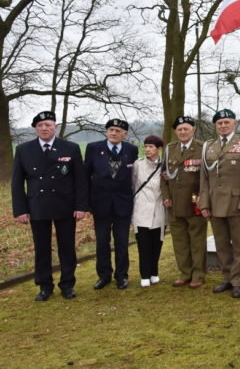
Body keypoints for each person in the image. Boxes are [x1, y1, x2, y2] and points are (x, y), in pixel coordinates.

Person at [12, 111, 88, 301]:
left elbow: (80, 180)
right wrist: (20, 210)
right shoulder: (23, 150)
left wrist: (81, 206)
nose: (44, 128)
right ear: (35, 129)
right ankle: (45, 286)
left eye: (48, 125)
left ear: (55, 127)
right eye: (40, 125)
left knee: (67, 247)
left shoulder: (70, 148)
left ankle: (67, 285)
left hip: (65, 205)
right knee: (42, 248)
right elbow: (17, 183)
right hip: (37, 205)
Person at [198, 109, 240, 299]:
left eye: (227, 122)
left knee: (239, 245)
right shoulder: (209, 146)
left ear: (234, 124)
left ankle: (238, 281)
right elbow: (204, 179)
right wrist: (204, 204)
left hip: (236, 203)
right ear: (215, 126)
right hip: (215, 203)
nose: (223, 126)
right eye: (219, 123)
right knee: (221, 244)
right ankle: (227, 278)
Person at [85, 118, 138, 290]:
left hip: (123, 204)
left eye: (117, 131)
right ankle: (104, 276)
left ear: (125, 134)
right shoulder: (93, 148)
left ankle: (121, 276)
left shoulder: (132, 150)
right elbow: (86, 177)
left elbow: (134, 177)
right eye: (111, 130)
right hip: (100, 203)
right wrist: (87, 203)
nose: (113, 133)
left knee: (122, 242)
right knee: (102, 242)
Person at [161, 116, 207, 288]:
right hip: (174, 203)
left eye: (186, 128)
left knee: (197, 241)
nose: (182, 132)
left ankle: (198, 275)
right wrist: (166, 196)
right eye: (179, 129)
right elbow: (163, 176)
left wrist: (203, 196)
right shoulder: (169, 149)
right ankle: (185, 273)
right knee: (179, 242)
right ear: (175, 131)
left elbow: (207, 176)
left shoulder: (202, 148)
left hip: (194, 202)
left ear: (193, 130)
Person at [132, 135, 167, 288]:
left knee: (156, 244)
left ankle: (154, 273)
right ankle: (145, 275)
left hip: (159, 210)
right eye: (145, 146)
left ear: (159, 149)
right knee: (143, 244)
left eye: (151, 147)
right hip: (141, 210)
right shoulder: (138, 165)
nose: (147, 149)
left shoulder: (165, 165)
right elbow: (133, 184)